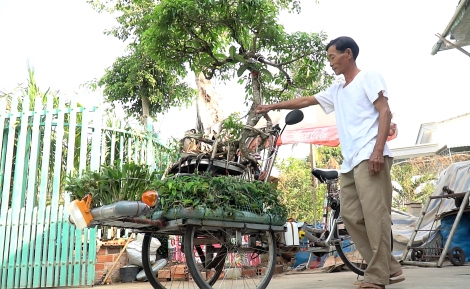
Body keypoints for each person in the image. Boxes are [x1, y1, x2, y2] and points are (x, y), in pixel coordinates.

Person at [255, 36, 404, 289]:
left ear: (348, 53)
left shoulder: (368, 77)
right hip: (350, 162)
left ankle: (377, 276)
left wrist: (378, 151)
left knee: (375, 215)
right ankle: (388, 267)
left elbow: (385, 111)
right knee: (350, 215)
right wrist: (271, 106)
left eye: (333, 57)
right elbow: (305, 101)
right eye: (328, 58)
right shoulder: (337, 90)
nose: (330, 63)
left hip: (370, 154)